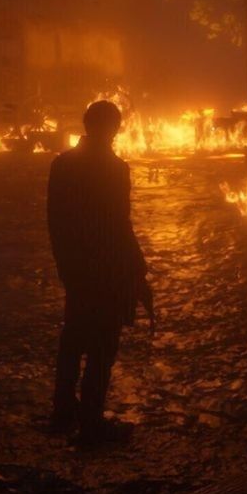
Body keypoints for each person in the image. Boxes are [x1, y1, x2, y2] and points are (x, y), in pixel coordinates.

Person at [47, 100, 154, 445]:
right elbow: (119, 225)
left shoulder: (62, 166)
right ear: (114, 128)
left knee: (74, 338)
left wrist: (65, 265)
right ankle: (91, 423)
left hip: (76, 268)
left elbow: (55, 222)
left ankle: (63, 410)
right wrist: (138, 270)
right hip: (108, 270)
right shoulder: (113, 169)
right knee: (102, 346)